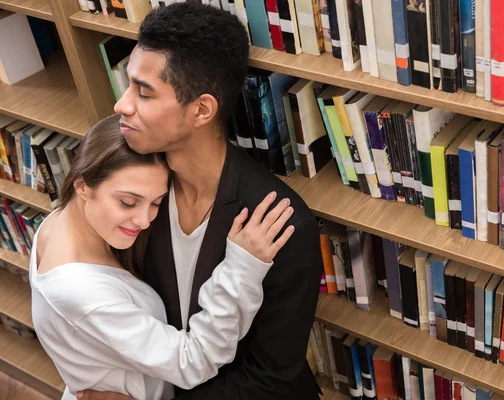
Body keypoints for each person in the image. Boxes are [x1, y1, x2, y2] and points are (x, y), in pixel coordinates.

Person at [81, 2, 323, 399]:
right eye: (129, 86)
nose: (121, 105)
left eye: (143, 92)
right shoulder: (133, 190)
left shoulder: (282, 221)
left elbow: (271, 377)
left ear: (202, 110)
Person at [30, 115, 297, 400]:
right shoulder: (82, 292)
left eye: (156, 202)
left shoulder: (59, 221)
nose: (144, 221)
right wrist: (241, 268)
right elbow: (193, 362)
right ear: (83, 186)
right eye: (128, 202)